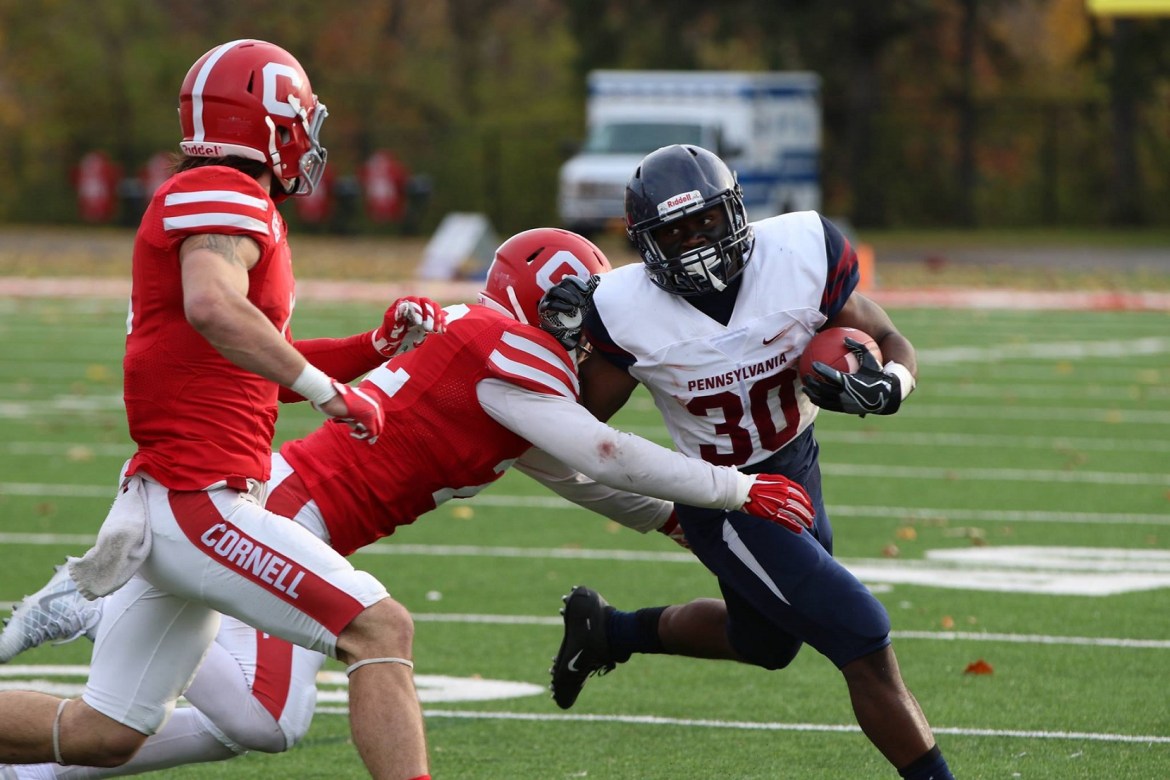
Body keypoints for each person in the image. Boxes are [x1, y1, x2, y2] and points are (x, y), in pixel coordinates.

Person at [0, 227, 818, 779]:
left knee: (245, 723)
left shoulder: (498, 372)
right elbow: (603, 454)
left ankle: (33, 763)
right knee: (293, 695)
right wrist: (736, 490)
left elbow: (585, 479)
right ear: (549, 305)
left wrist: (691, 528)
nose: (593, 337)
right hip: (288, 510)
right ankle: (116, 611)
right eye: (581, 314)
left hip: (296, 509)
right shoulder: (507, 349)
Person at [0, 40, 448, 780]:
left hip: (176, 499)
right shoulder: (222, 190)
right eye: (300, 118)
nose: (309, 137)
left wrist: (372, 347)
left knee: (104, 733)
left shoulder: (227, 199)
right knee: (378, 628)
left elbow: (252, 362)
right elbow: (214, 307)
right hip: (197, 500)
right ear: (267, 122)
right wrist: (328, 392)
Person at [548, 144, 955, 780]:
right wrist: (551, 345)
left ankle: (610, 632)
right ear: (645, 245)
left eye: (706, 222)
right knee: (863, 634)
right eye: (676, 233)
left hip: (798, 466)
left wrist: (891, 384)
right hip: (725, 498)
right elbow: (574, 419)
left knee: (764, 642)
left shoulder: (802, 251)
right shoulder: (623, 308)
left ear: (734, 210)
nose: (698, 244)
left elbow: (890, 337)